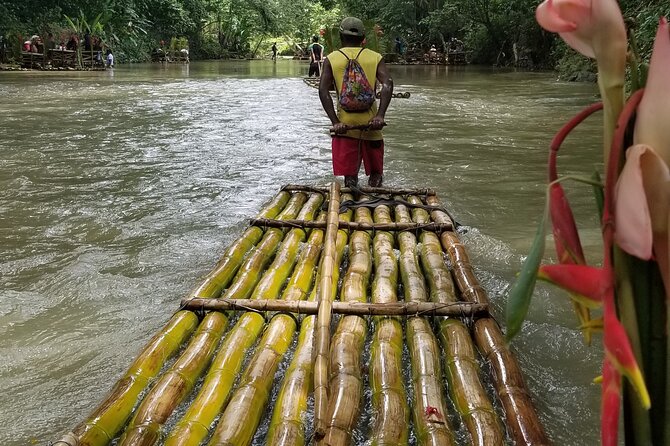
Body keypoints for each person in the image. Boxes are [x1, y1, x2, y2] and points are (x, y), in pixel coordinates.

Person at [318, 17, 393, 188]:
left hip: (345, 126)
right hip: (372, 125)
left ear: (340, 36)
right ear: (363, 37)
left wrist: (335, 122)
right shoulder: (375, 57)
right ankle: (377, 201)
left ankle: (352, 204)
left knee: (350, 179)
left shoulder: (332, 58)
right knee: (376, 176)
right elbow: (388, 83)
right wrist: (380, 115)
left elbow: (323, 91)